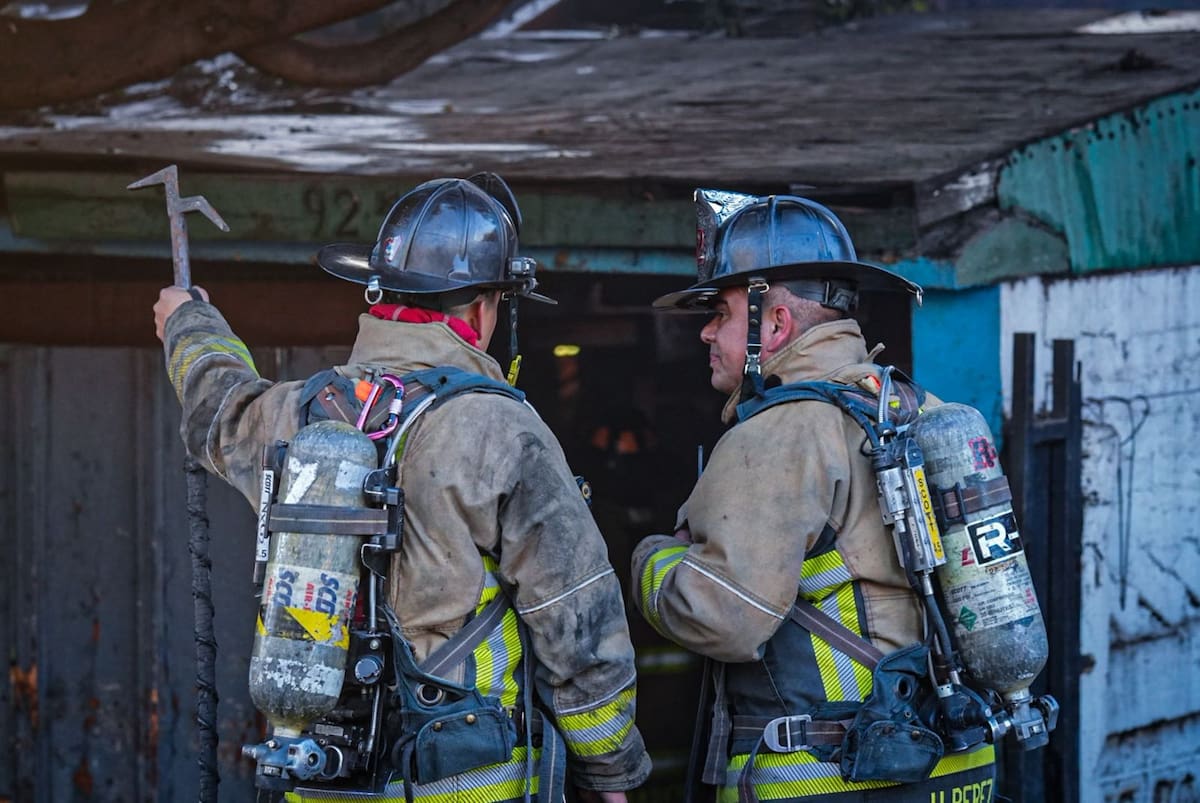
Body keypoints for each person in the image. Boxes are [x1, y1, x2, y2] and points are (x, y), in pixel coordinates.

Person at [153, 173, 652, 803]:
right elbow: (575, 612)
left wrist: (189, 324)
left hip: (325, 770)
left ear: (377, 294)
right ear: (480, 309)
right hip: (464, 781)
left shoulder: (301, 412)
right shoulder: (501, 429)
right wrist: (609, 773)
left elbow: (219, 411)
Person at [631, 190, 997, 802]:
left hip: (831, 774)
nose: (705, 333)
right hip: (953, 764)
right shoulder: (916, 409)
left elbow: (726, 620)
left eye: (719, 312)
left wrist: (652, 561)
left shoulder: (781, 432)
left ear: (774, 322)